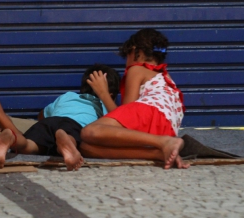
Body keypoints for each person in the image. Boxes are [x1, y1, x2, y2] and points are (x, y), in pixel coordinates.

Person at [80, 28, 190, 169]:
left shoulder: (136, 69)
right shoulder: (165, 77)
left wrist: (103, 93)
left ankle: (164, 142)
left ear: (135, 51)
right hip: (165, 128)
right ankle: (158, 152)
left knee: (89, 132)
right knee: (86, 147)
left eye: (127, 56)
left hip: (149, 114)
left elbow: (124, 116)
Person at [0, 64, 120, 171]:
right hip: (74, 125)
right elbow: (118, 119)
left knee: (28, 146)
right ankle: (66, 141)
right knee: (72, 137)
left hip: (50, 121)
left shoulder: (68, 96)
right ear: (112, 95)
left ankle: (12, 137)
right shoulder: (103, 105)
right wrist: (106, 97)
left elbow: (42, 114)